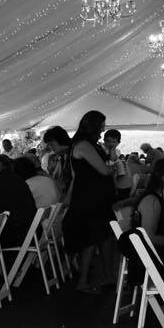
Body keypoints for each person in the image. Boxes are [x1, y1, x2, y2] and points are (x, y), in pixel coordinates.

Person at [62, 111, 116, 293]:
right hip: (89, 198)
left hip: (95, 197)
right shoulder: (83, 145)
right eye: (101, 126)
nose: (103, 129)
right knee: (91, 239)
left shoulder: (89, 144)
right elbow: (103, 170)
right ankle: (84, 281)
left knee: (104, 237)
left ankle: (108, 276)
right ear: (93, 126)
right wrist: (114, 168)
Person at [42, 126, 72, 197]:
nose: (50, 147)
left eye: (52, 144)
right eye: (49, 145)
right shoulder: (59, 157)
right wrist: (50, 171)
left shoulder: (73, 154)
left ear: (61, 140)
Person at [103, 129, 131, 200]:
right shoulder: (101, 148)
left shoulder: (116, 151)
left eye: (114, 142)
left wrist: (112, 149)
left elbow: (113, 158)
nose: (111, 144)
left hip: (112, 171)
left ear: (118, 143)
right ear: (104, 140)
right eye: (108, 141)